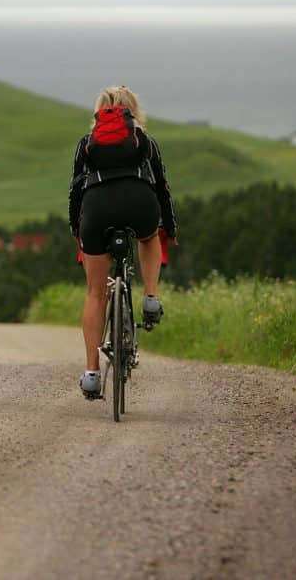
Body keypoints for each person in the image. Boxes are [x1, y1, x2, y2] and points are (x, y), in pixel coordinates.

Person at [68, 86, 178, 399]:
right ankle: (151, 298)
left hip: (97, 209)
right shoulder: (145, 140)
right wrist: (168, 226)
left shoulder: (87, 144)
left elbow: (75, 190)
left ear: (99, 113)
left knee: (95, 293)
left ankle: (91, 373)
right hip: (140, 203)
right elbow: (162, 189)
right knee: (148, 236)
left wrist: (78, 228)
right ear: (133, 111)